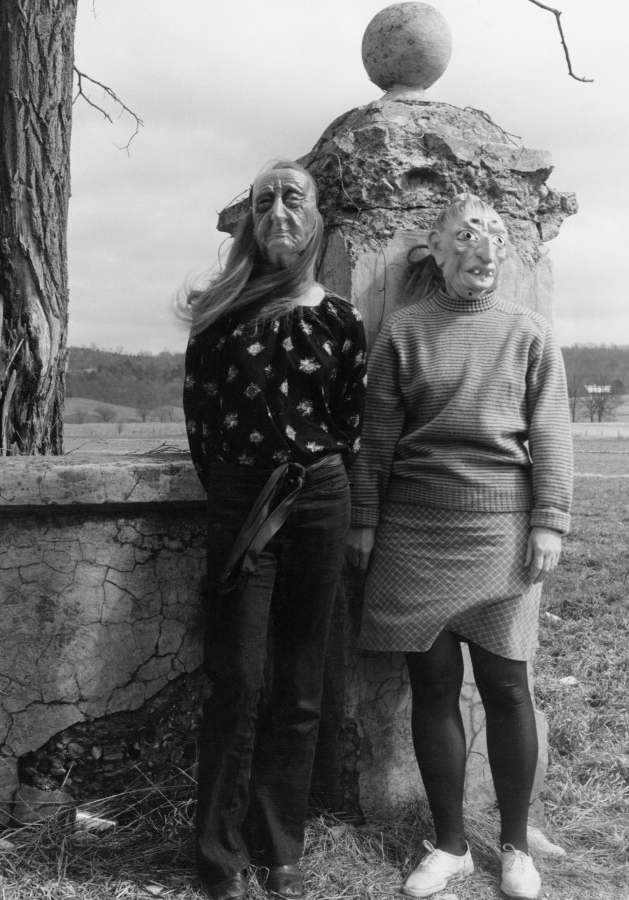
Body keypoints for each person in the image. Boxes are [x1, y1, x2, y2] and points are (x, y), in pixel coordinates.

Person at [345, 193, 573, 900]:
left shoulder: (529, 334)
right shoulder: (404, 333)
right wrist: (363, 520)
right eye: (466, 238)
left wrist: (549, 519)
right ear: (435, 251)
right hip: (413, 531)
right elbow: (376, 436)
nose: (483, 251)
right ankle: (448, 846)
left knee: (506, 687)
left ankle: (512, 845)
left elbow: (551, 433)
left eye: (494, 240)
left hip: (503, 532)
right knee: (433, 687)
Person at [180, 160, 366, 900]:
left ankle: (279, 841)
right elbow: (200, 426)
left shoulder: (341, 320)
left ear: (315, 216)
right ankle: (217, 849)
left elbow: (348, 425)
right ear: (250, 222)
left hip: (320, 496)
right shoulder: (218, 319)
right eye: (265, 202)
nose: (279, 211)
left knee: (299, 682)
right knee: (238, 679)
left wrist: (313, 480)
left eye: (294, 198)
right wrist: (239, 491)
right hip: (242, 501)